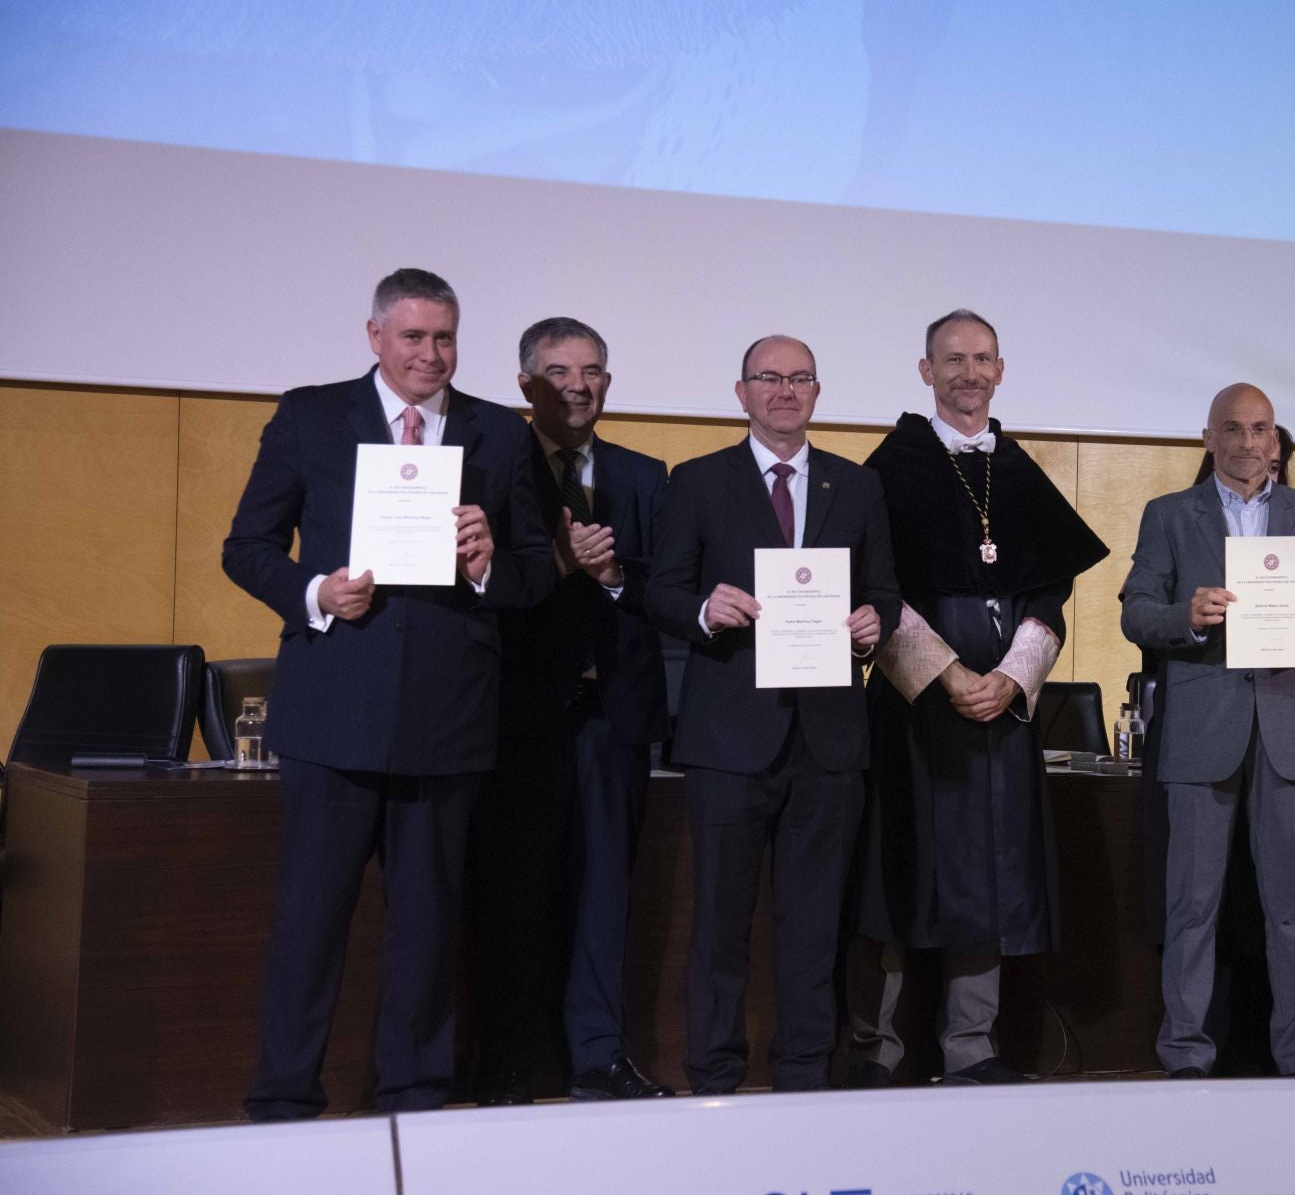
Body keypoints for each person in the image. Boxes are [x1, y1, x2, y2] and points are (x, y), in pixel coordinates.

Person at [224, 268, 553, 1120]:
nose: (430, 355)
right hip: (334, 711)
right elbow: (247, 545)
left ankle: (414, 1096)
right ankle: (284, 1099)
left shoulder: (499, 436)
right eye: (412, 337)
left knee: (426, 930)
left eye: (444, 337)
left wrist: (489, 567)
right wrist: (314, 595)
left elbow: (532, 573)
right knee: (309, 924)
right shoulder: (309, 415)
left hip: (447, 717)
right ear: (375, 337)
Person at [847, 309, 1108, 1086]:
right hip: (916, 708)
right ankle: (879, 1051)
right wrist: (950, 675)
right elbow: (875, 591)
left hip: (1001, 714)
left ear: (1001, 370)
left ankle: (972, 1047)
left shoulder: (1018, 470)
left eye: (982, 359)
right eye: (952, 360)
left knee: (987, 876)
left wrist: (1013, 677)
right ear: (925, 372)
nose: (968, 372)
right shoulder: (889, 467)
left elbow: (1047, 597)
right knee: (898, 874)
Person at [643, 334, 900, 1094]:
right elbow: (660, 594)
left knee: (816, 927)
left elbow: (884, 591)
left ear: (817, 393)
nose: (784, 390)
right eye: (769, 378)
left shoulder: (857, 488)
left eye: (799, 379)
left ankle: (803, 1078)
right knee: (720, 927)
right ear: (741, 392)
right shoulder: (696, 482)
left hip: (827, 743)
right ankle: (715, 1075)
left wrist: (871, 622)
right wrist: (702, 608)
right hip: (728, 740)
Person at [1121, 382, 1295, 1078]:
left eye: (1262, 429)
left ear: (1277, 439)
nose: (1250, 443)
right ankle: (1186, 1055)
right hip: (1201, 725)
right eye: (1234, 429)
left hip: (1285, 726)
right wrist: (1186, 616)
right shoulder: (1169, 515)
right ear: (1209, 438)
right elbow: (1137, 610)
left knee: (1292, 905)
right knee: (1191, 904)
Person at [466, 318, 674, 1104]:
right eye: (558, 372)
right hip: (514, 714)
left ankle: (597, 1055)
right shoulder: (490, 466)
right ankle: (510, 1060)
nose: (577, 386)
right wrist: (556, 563)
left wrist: (617, 573)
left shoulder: (645, 475)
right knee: (513, 891)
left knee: (606, 892)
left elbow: (670, 592)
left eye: (591, 372)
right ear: (526, 386)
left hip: (611, 713)